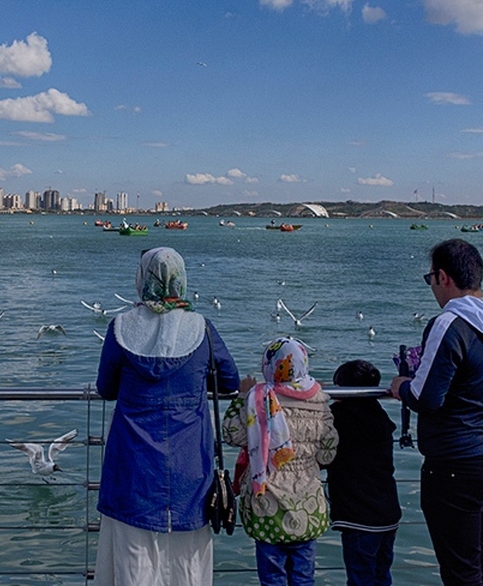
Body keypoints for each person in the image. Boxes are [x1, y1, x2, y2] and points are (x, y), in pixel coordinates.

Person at [95, 247, 240, 586]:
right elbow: (230, 382)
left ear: (142, 279)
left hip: (133, 465)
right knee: (187, 563)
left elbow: (106, 388)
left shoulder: (120, 328)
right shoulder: (202, 329)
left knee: (134, 560)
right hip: (190, 465)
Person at [387, 239, 483, 586]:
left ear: (443, 277)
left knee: (461, 574)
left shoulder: (449, 323)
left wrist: (400, 385)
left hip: (455, 467)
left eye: (430, 278)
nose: (432, 286)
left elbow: (426, 398)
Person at [221, 337, 337, 586]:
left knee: (272, 578)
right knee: (304, 577)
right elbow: (327, 454)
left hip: (268, 507)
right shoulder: (319, 400)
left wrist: (242, 397)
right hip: (308, 506)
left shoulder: (258, 398)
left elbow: (232, 433)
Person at [326, 359, 401, 586]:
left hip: (357, 515)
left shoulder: (338, 418)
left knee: (360, 578)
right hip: (387, 511)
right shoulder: (380, 418)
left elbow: (324, 454)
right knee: (381, 576)